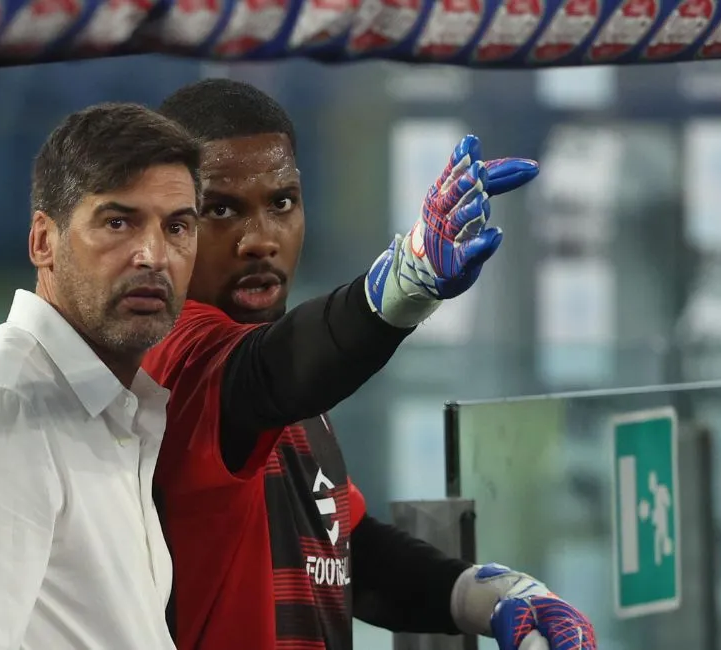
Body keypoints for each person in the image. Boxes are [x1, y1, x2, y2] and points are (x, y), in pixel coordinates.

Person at [144, 79, 596, 650]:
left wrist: (488, 596)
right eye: (221, 210)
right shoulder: (173, 361)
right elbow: (272, 369)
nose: (260, 239)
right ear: (170, 227)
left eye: (281, 202)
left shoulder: (292, 387)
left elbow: (344, 548)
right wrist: (407, 279)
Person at [0, 102, 201, 650]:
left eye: (177, 227)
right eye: (118, 222)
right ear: (43, 242)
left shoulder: (112, 412)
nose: (153, 255)